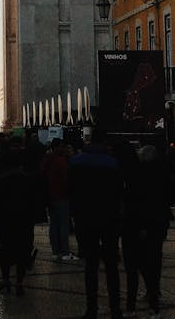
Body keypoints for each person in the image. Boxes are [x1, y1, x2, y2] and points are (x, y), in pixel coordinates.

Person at [68, 128, 123, 319]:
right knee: (111, 266)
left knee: (90, 265)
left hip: (86, 218)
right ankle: (115, 309)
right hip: (108, 218)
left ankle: (91, 309)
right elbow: (119, 192)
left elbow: (71, 190)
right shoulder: (112, 163)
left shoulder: (76, 162)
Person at [121, 144, 171, 318]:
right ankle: (154, 296)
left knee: (138, 266)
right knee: (153, 260)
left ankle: (136, 304)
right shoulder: (163, 173)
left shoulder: (138, 177)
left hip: (141, 225)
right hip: (157, 224)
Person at [0, 144, 37, 296]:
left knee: (5, 249)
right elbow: (34, 201)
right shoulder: (27, 180)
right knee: (23, 250)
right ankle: (19, 281)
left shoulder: (1, 181)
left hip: (7, 221)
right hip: (24, 221)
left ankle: (6, 279)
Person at [41, 138, 78, 262]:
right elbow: (65, 180)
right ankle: (65, 252)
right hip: (62, 196)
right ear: (57, 147)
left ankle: (55, 251)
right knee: (63, 225)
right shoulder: (61, 162)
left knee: (54, 225)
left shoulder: (47, 160)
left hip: (50, 196)